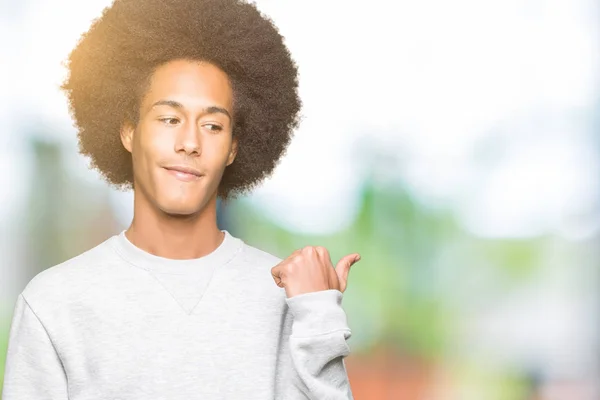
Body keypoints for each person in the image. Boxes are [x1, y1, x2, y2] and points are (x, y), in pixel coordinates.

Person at [1, 0, 361, 399]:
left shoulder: (289, 298)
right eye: (170, 119)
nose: (189, 142)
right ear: (128, 132)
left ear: (232, 148)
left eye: (212, 125)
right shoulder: (55, 303)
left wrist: (318, 316)